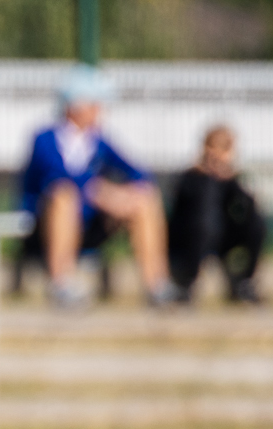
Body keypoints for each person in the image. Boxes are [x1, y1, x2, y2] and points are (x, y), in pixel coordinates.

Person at [20, 66, 173, 308]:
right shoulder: (44, 138)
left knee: (144, 198)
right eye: (95, 105)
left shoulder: (99, 141)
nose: (100, 112)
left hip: (90, 223)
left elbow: (138, 172)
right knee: (63, 196)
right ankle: (62, 283)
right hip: (46, 223)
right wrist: (97, 190)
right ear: (76, 107)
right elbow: (56, 178)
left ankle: (157, 284)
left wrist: (123, 195)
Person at [167, 124, 265, 304]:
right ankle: (186, 283)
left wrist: (230, 178)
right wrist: (209, 177)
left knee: (258, 224)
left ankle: (245, 281)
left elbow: (248, 207)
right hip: (192, 237)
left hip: (223, 236)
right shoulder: (191, 177)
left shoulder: (233, 180)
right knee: (206, 225)